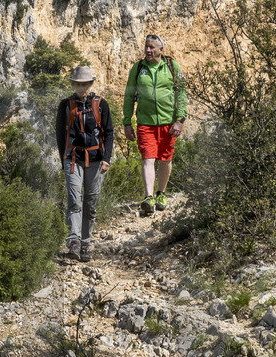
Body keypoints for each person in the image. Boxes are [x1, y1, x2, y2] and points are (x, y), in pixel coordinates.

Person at [121, 33, 187, 217]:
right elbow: (128, 97)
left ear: (161, 49)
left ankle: (161, 193)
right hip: (145, 123)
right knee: (148, 158)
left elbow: (181, 94)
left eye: (152, 47)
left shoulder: (172, 67)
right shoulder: (138, 68)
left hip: (168, 123)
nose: (148, 50)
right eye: (146, 47)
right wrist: (127, 122)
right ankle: (148, 197)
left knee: (165, 159)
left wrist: (180, 120)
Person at [55, 63, 114, 262]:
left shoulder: (101, 104)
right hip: (73, 159)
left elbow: (109, 132)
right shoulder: (65, 105)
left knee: (90, 204)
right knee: (74, 201)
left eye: (85, 84)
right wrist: (63, 159)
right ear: (73, 84)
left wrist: (107, 159)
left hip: (96, 160)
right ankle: (74, 241)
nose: (82, 88)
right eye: (78, 84)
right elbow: (60, 133)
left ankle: (86, 243)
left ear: (90, 84)